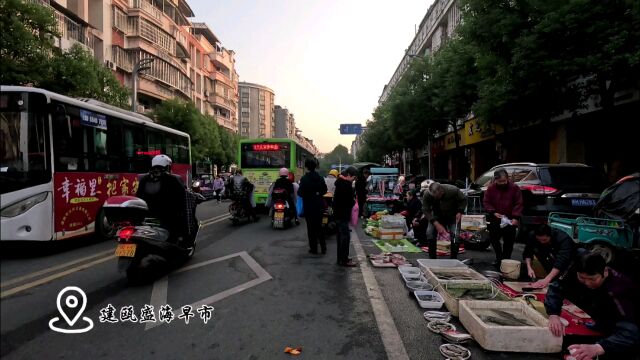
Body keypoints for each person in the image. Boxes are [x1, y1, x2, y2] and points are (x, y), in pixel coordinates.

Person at [545, 252, 640, 359]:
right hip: (601, 317)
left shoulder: (619, 289)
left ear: (605, 272)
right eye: (582, 278)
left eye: (593, 279)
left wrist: (599, 347)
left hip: (629, 331)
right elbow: (556, 288)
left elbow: (630, 331)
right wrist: (553, 314)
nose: (587, 283)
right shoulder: (577, 269)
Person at [136, 154, 190, 244]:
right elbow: (181, 199)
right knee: (182, 214)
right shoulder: (173, 179)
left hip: (145, 215)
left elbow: (138, 196)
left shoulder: (144, 178)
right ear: (167, 166)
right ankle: (182, 238)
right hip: (166, 216)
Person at [483, 169, 524, 266]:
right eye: (500, 181)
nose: (502, 183)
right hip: (495, 218)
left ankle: (506, 261)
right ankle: (499, 258)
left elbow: (519, 203)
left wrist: (515, 217)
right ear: (495, 180)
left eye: (504, 181)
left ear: (507, 179)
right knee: (494, 239)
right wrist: (493, 212)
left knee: (509, 241)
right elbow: (486, 202)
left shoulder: (514, 188)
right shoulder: (491, 188)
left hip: (510, 219)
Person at [421, 181, 467, 259]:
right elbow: (425, 210)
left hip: (452, 215)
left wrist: (460, 211)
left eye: (438, 196)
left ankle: (453, 259)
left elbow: (463, 200)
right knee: (429, 233)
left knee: (455, 235)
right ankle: (432, 259)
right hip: (436, 216)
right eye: (434, 197)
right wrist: (436, 223)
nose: (436, 198)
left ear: (441, 190)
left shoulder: (453, 190)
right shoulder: (427, 194)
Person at [298, 158, 328, 254]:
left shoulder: (304, 179)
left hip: (309, 206)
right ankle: (323, 247)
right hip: (319, 205)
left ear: (306, 167)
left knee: (311, 228)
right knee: (319, 227)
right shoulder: (320, 178)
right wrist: (317, 193)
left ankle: (313, 248)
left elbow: (300, 193)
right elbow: (325, 190)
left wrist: (309, 194)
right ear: (315, 167)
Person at [333, 166, 359, 267]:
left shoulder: (340, 183)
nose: (353, 180)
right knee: (345, 237)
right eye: (353, 178)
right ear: (348, 175)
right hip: (343, 214)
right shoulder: (346, 185)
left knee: (340, 237)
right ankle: (344, 260)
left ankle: (341, 259)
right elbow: (348, 201)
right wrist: (354, 203)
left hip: (338, 214)